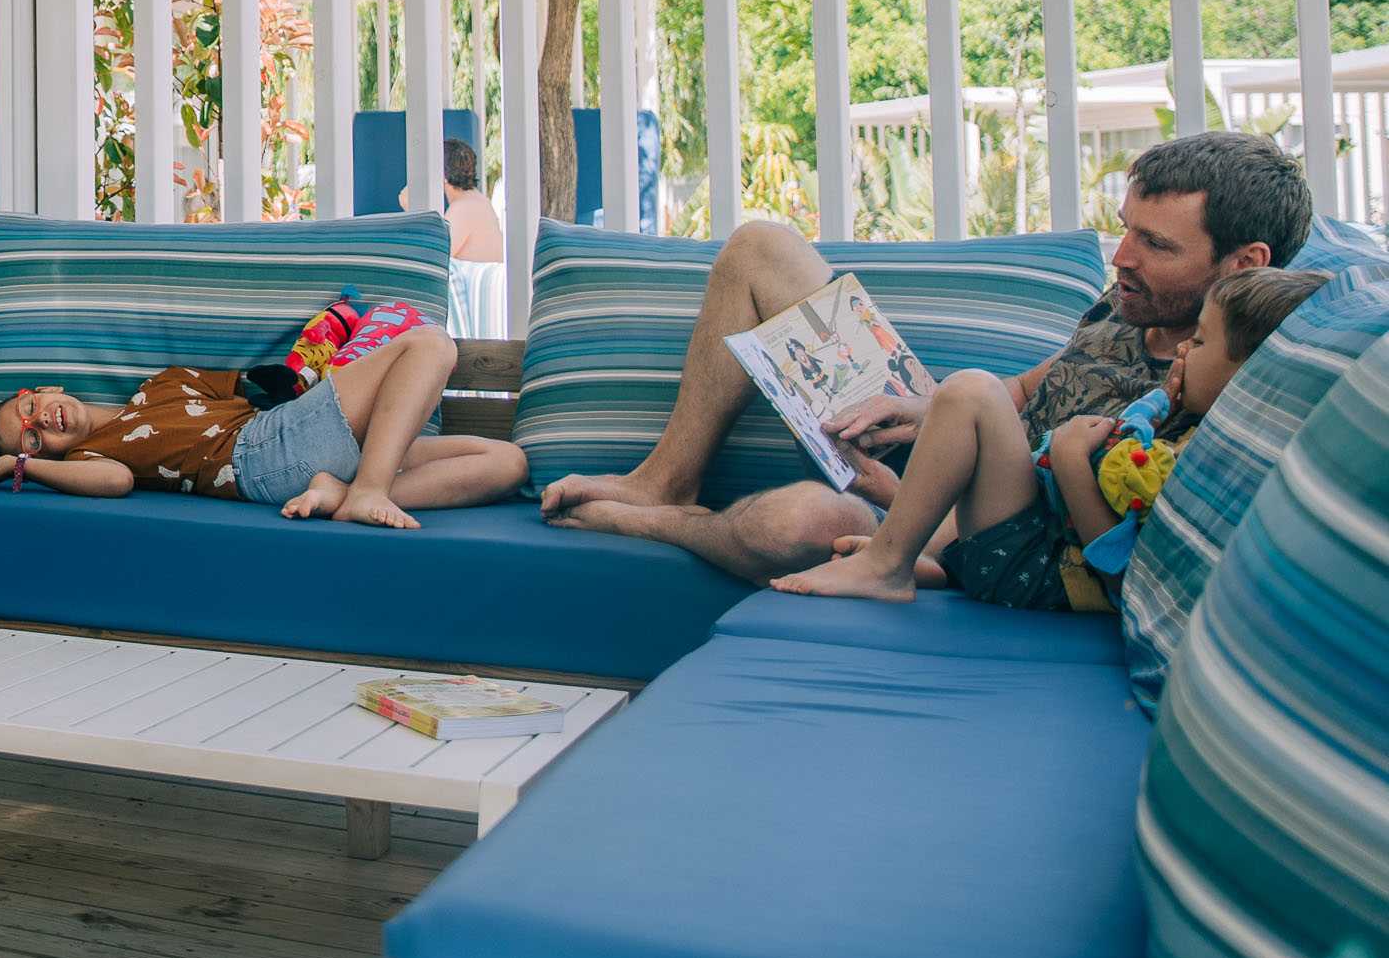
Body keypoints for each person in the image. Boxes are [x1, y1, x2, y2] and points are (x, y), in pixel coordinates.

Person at [539, 131, 1313, 584]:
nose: (1122, 258)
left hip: (959, 521)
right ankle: (665, 478)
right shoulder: (1133, 301)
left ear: (1245, 262)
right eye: (1126, 229)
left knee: (796, 523)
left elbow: (1077, 543)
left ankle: (661, 525)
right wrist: (919, 407)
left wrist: (915, 514)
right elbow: (1024, 389)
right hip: (945, 431)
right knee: (760, 247)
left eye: (1156, 244)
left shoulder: (1222, 386)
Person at [774, 264, 1328, 606]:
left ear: (1253, 374)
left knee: (970, 391)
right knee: (969, 393)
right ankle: (923, 557)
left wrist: (1068, 460)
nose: (1183, 350)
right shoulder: (1180, 411)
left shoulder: (1207, 460)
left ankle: (888, 565)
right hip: (1026, 541)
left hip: (1042, 569)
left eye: (1200, 343)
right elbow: (1023, 392)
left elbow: (1123, 576)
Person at [0, 321, 526, 529]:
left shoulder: (163, 383)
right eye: (34, 438)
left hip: (289, 433)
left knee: (507, 463)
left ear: (43, 390)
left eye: (30, 409)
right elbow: (114, 483)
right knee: (430, 344)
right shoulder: (91, 456)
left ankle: (344, 492)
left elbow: (268, 390)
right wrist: (21, 466)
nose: (42, 422)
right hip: (258, 456)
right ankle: (370, 491)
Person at [441, 137, 502, 265]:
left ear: (443, 175)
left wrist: (415, 209)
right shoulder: (477, 200)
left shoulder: (462, 208)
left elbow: (435, 258)